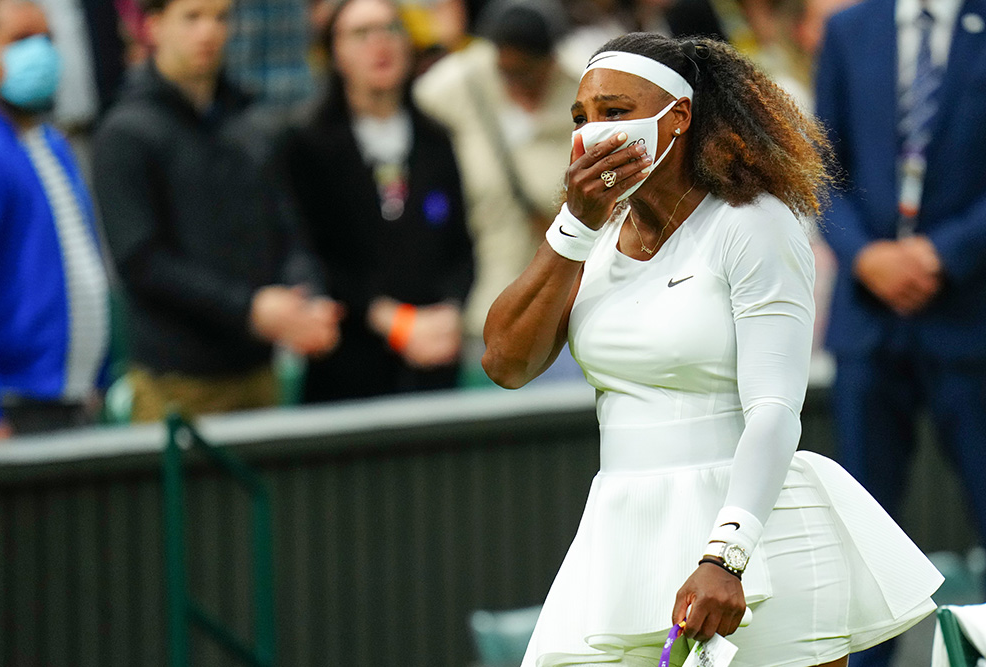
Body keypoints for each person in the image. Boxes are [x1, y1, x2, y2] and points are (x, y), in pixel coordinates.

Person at [482, 33, 943, 667]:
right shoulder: (595, 230)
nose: (592, 133)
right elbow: (506, 362)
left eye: (616, 113)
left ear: (678, 118)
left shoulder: (753, 221)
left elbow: (775, 409)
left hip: (750, 535)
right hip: (620, 533)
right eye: (581, 118)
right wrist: (575, 224)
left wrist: (726, 555)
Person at [815, 1, 986, 666]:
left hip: (969, 317)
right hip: (868, 321)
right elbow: (819, 166)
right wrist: (865, 257)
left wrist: (944, 253)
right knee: (862, 537)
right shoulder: (849, 30)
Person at [92, 0, 342, 422]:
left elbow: (286, 227)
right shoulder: (125, 132)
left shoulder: (251, 121)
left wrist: (308, 295)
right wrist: (251, 310)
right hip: (177, 384)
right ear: (153, 26)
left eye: (220, 18)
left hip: (260, 374)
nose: (208, 32)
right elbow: (142, 262)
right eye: (192, 17)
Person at [281, 0, 473, 402]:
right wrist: (391, 321)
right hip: (349, 369)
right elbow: (311, 253)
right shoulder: (307, 144)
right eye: (361, 34)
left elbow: (460, 247)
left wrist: (451, 311)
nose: (379, 44)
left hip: (433, 361)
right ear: (334, 52)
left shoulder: (437, 139)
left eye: (390, 29)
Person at [413, 0, 579, 380]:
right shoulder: (454, 86)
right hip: (483, 307)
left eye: (528, 70)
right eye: (507, 69)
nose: (516, 79)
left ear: (551, 58)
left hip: (566, 309)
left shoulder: (580, 89)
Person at [0, 0, 111, 440]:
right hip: (12, 408)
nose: (38, 53)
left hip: (69, 401)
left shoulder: (52, 144)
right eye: (20, 40)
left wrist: (95, 377)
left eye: (47, 40)